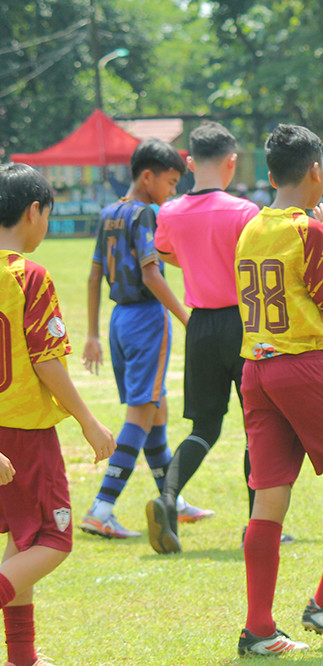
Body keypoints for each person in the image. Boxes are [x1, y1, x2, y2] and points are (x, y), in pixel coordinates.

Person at [235, 124, 323, 656]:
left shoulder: (251, 227)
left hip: (256, 369)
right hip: (301, 366)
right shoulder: (308, 232)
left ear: (272, 176)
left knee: (269, 496)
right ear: (316, 170)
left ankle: (259, 629)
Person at [0, 163, 116, 666]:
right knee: (52, 539)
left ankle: (22, 657)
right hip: (24, 433)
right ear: (34, 211)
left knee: (21, 541)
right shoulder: (29, 276)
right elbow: (47, 361)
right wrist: (89, 422)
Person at [146, 121, 275, 554]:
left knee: (204, 427)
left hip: (199, 325)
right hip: (243, 324)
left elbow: (166, 253)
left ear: (188, 162)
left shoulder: (170, 212)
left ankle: (168, 498)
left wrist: (199, 259)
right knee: (258, 426)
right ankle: (257, 527)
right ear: (231, 162)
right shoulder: (244, 212)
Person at [79, 139, 200, 539]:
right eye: (170, 182)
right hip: (147, 319)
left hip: (119, 321)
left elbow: (94, 275)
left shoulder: (109, 212)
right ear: (147, 177)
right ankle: (102, 508)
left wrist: (93, 334)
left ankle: (171, 498)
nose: (172, 191)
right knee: (142, 412)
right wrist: (186, 318)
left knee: (156, 411)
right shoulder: (145, 213)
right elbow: (151, 273)